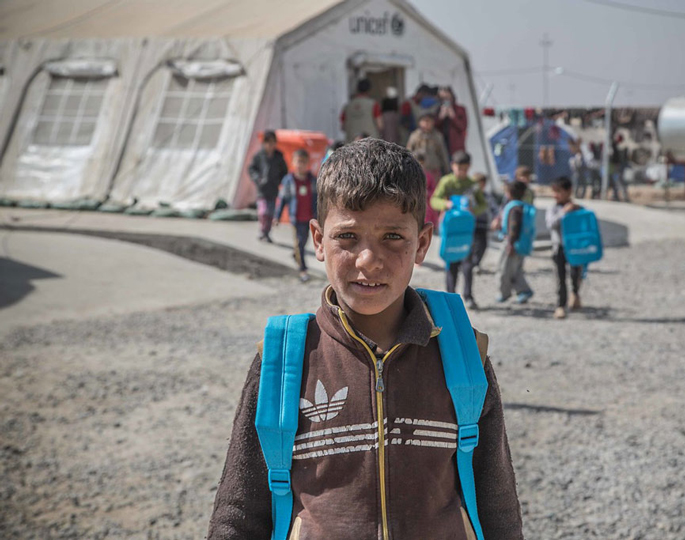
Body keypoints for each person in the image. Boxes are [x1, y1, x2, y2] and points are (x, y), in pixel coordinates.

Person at [207, 138, 523, 540]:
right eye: (347, 237)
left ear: (422, 243)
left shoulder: (463, 355)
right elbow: (239, 512)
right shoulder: (285, 362)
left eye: (392, 236)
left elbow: (497, 505)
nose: (368, 260)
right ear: (318, 240)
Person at [430, 150, 487, 309]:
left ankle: (468, 296)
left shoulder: (472, 184)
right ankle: (451, 297)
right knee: (451, 263)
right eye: (458, 168)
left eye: (465, 169)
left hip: (467, 229)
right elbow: (434, 200)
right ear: (452, 166)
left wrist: (473, 210)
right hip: (450, 229)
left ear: (469, 167)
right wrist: (446, 204)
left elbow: (483, 204)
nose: (461, 172)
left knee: (468, 263)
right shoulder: (447, 182)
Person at [274, 149, 317, 282]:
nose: (300, 165)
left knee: (304, 241)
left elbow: (318, 198)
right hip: (296, 217)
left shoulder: (312, 180)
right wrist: (277, 216)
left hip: (309, 217)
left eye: (303, 162)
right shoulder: (289, 180)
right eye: (298, 162)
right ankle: (303, 269)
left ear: (308, 163)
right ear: (293, 163)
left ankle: (296, 254)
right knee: (299, 243)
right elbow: (282, 199)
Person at [545, 176, 583, 319]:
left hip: (574, 247)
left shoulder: (577, 208)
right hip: (559, 247)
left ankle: (575, 294)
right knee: (560, 277)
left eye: (559, 192)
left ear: (569, 191)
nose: (555, 195)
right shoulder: (553, 209)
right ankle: (561, 305)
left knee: (575, 274)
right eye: (554, 192)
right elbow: (551, 224)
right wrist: (564, 212)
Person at [496, 181, 534, 304]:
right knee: (516, 269)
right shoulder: (522, 206)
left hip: (512, 244)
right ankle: (523, 291)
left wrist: (510, 244)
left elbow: (514, 227)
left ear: (509, 193)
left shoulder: (514, 208)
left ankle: (506, 293)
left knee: (504, 269)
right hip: (521, 244)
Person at [248, 130, 287, 242]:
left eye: (272, 142)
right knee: (263, 211)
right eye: (268, 142)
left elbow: (284, 171)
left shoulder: (278, 157)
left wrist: (280, 181)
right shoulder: (259, 156)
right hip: (262, 189)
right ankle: (262, 229)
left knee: (270, 213)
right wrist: (258, 179)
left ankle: (266, 232)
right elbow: (252, 169)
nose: (270, 145)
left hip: (273, 189)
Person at [406, 112, 450, 178]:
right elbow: (408, 152)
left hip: (434, 170)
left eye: (428, 121)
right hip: (419, 171)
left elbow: (443, 154)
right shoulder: (414, 136)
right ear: (419, 122)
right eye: (424, 121)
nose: (426, 123)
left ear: (433, 122)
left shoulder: (437, 136)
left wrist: (447, 170)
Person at [471, 172, 496, 271]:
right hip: (471, 224)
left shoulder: (487, 196)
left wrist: (495, 219)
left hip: (483, 224)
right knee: (472, 245)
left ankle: (476, 263)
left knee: (482, 245)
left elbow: (494, 209)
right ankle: (470, 264)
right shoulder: (470, 196)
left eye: (482, 184)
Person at [436, 86, 468, 155]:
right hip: (442, 145)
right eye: (442, 99)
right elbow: (434, 127)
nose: (445, 101)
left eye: (447, 98)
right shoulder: (437, 110)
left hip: (456, 145)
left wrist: (453, 116)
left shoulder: (460, 109)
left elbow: (462, 127)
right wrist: (441, 117)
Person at [414, 150, 440, 231]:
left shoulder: (428, 175)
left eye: (421, 163)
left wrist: (428, 193)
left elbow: (434, 189)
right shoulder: (410, 175)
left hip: (428, 202)